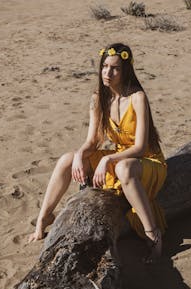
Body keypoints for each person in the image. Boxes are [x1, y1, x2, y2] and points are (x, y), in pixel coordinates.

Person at [28, 43, 167, 263]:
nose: (107, 73)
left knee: (122, 167)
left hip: (146, 162)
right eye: (104, 66)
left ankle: (153, 236)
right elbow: (92, 141)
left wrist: (107, 160)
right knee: (67, 159)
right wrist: (79, 156)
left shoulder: (137, 97)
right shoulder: (98, 98)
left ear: (125, 71)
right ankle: (43, 219)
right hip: (122, 158)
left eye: (115, 68)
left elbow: (140, 148)